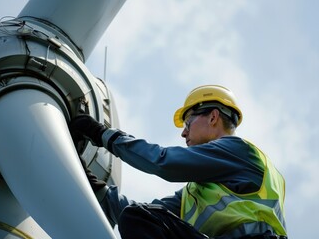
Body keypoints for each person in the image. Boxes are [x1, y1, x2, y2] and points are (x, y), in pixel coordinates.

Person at [69, 85, 287, 239]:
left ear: (213, 117)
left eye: (188, 122)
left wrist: (102, 134)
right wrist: (88, 180)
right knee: (138, 218)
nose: (183, 133)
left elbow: (162, 161)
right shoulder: (197, 194)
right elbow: (137, 216)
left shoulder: (240, 152)